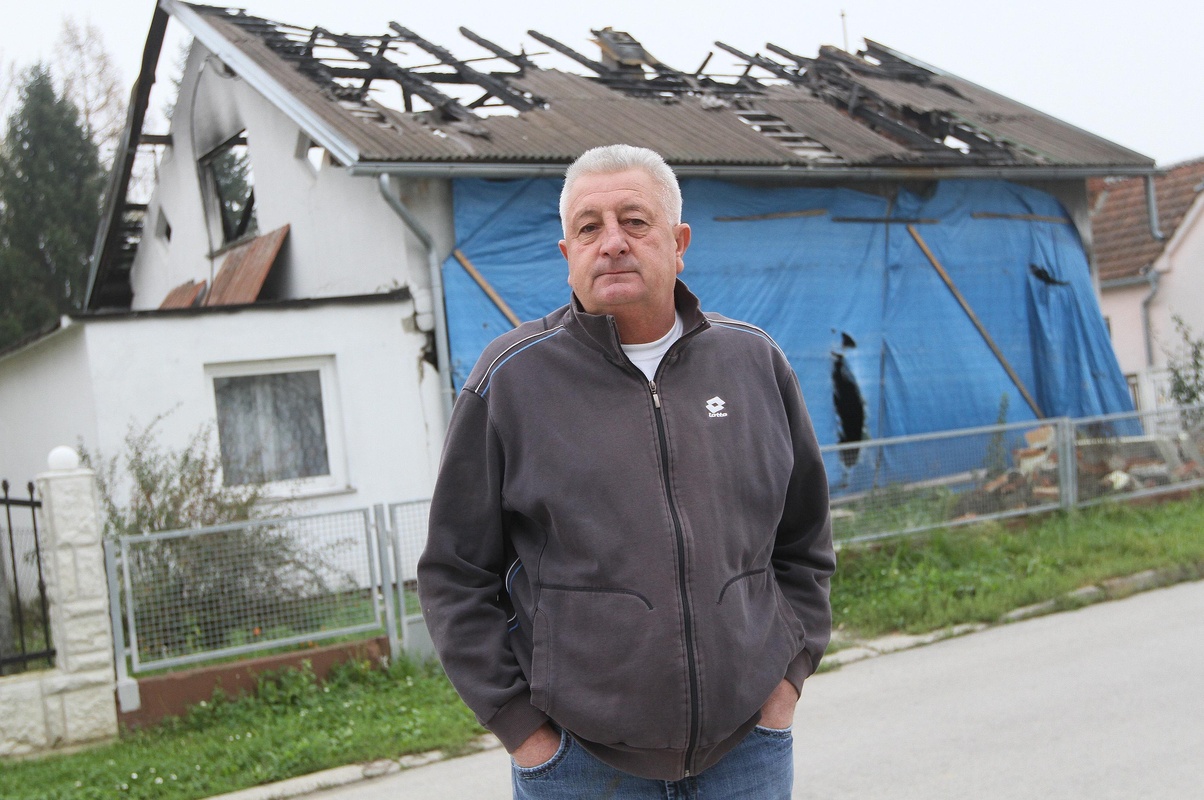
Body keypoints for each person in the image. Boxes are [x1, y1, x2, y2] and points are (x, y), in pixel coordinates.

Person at [417, 144, 835, 798]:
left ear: (679, 242)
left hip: (745, 751)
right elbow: (454, 573)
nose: (612, 242)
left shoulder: (754, 364)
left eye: (635, 221)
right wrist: (524, 732)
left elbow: (804, 540)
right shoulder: (511, 381)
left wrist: (786, 681)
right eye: (589, 227)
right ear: (568, 255)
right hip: (580, 765)